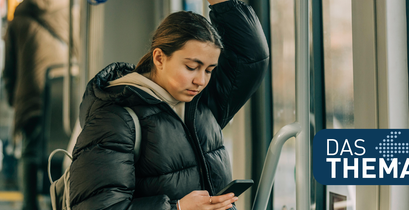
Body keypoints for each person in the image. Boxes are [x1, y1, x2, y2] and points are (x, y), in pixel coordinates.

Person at [69, 0, 269, 209]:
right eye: (192, 67)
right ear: (159, 58)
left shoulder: (200, 106)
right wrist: (177, 208)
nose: (200, 81)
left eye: (209, 70)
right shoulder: (114, 119)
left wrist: (222, 3)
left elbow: (251, 58)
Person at [2, 0, 77, 209]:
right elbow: (80, 52)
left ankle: (29, 204)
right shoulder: (70, 11)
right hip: (63, 95)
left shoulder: (19, 17)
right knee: (64, 150)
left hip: (30, 95)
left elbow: (9, 67)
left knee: (29, 154)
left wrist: (12, 98)